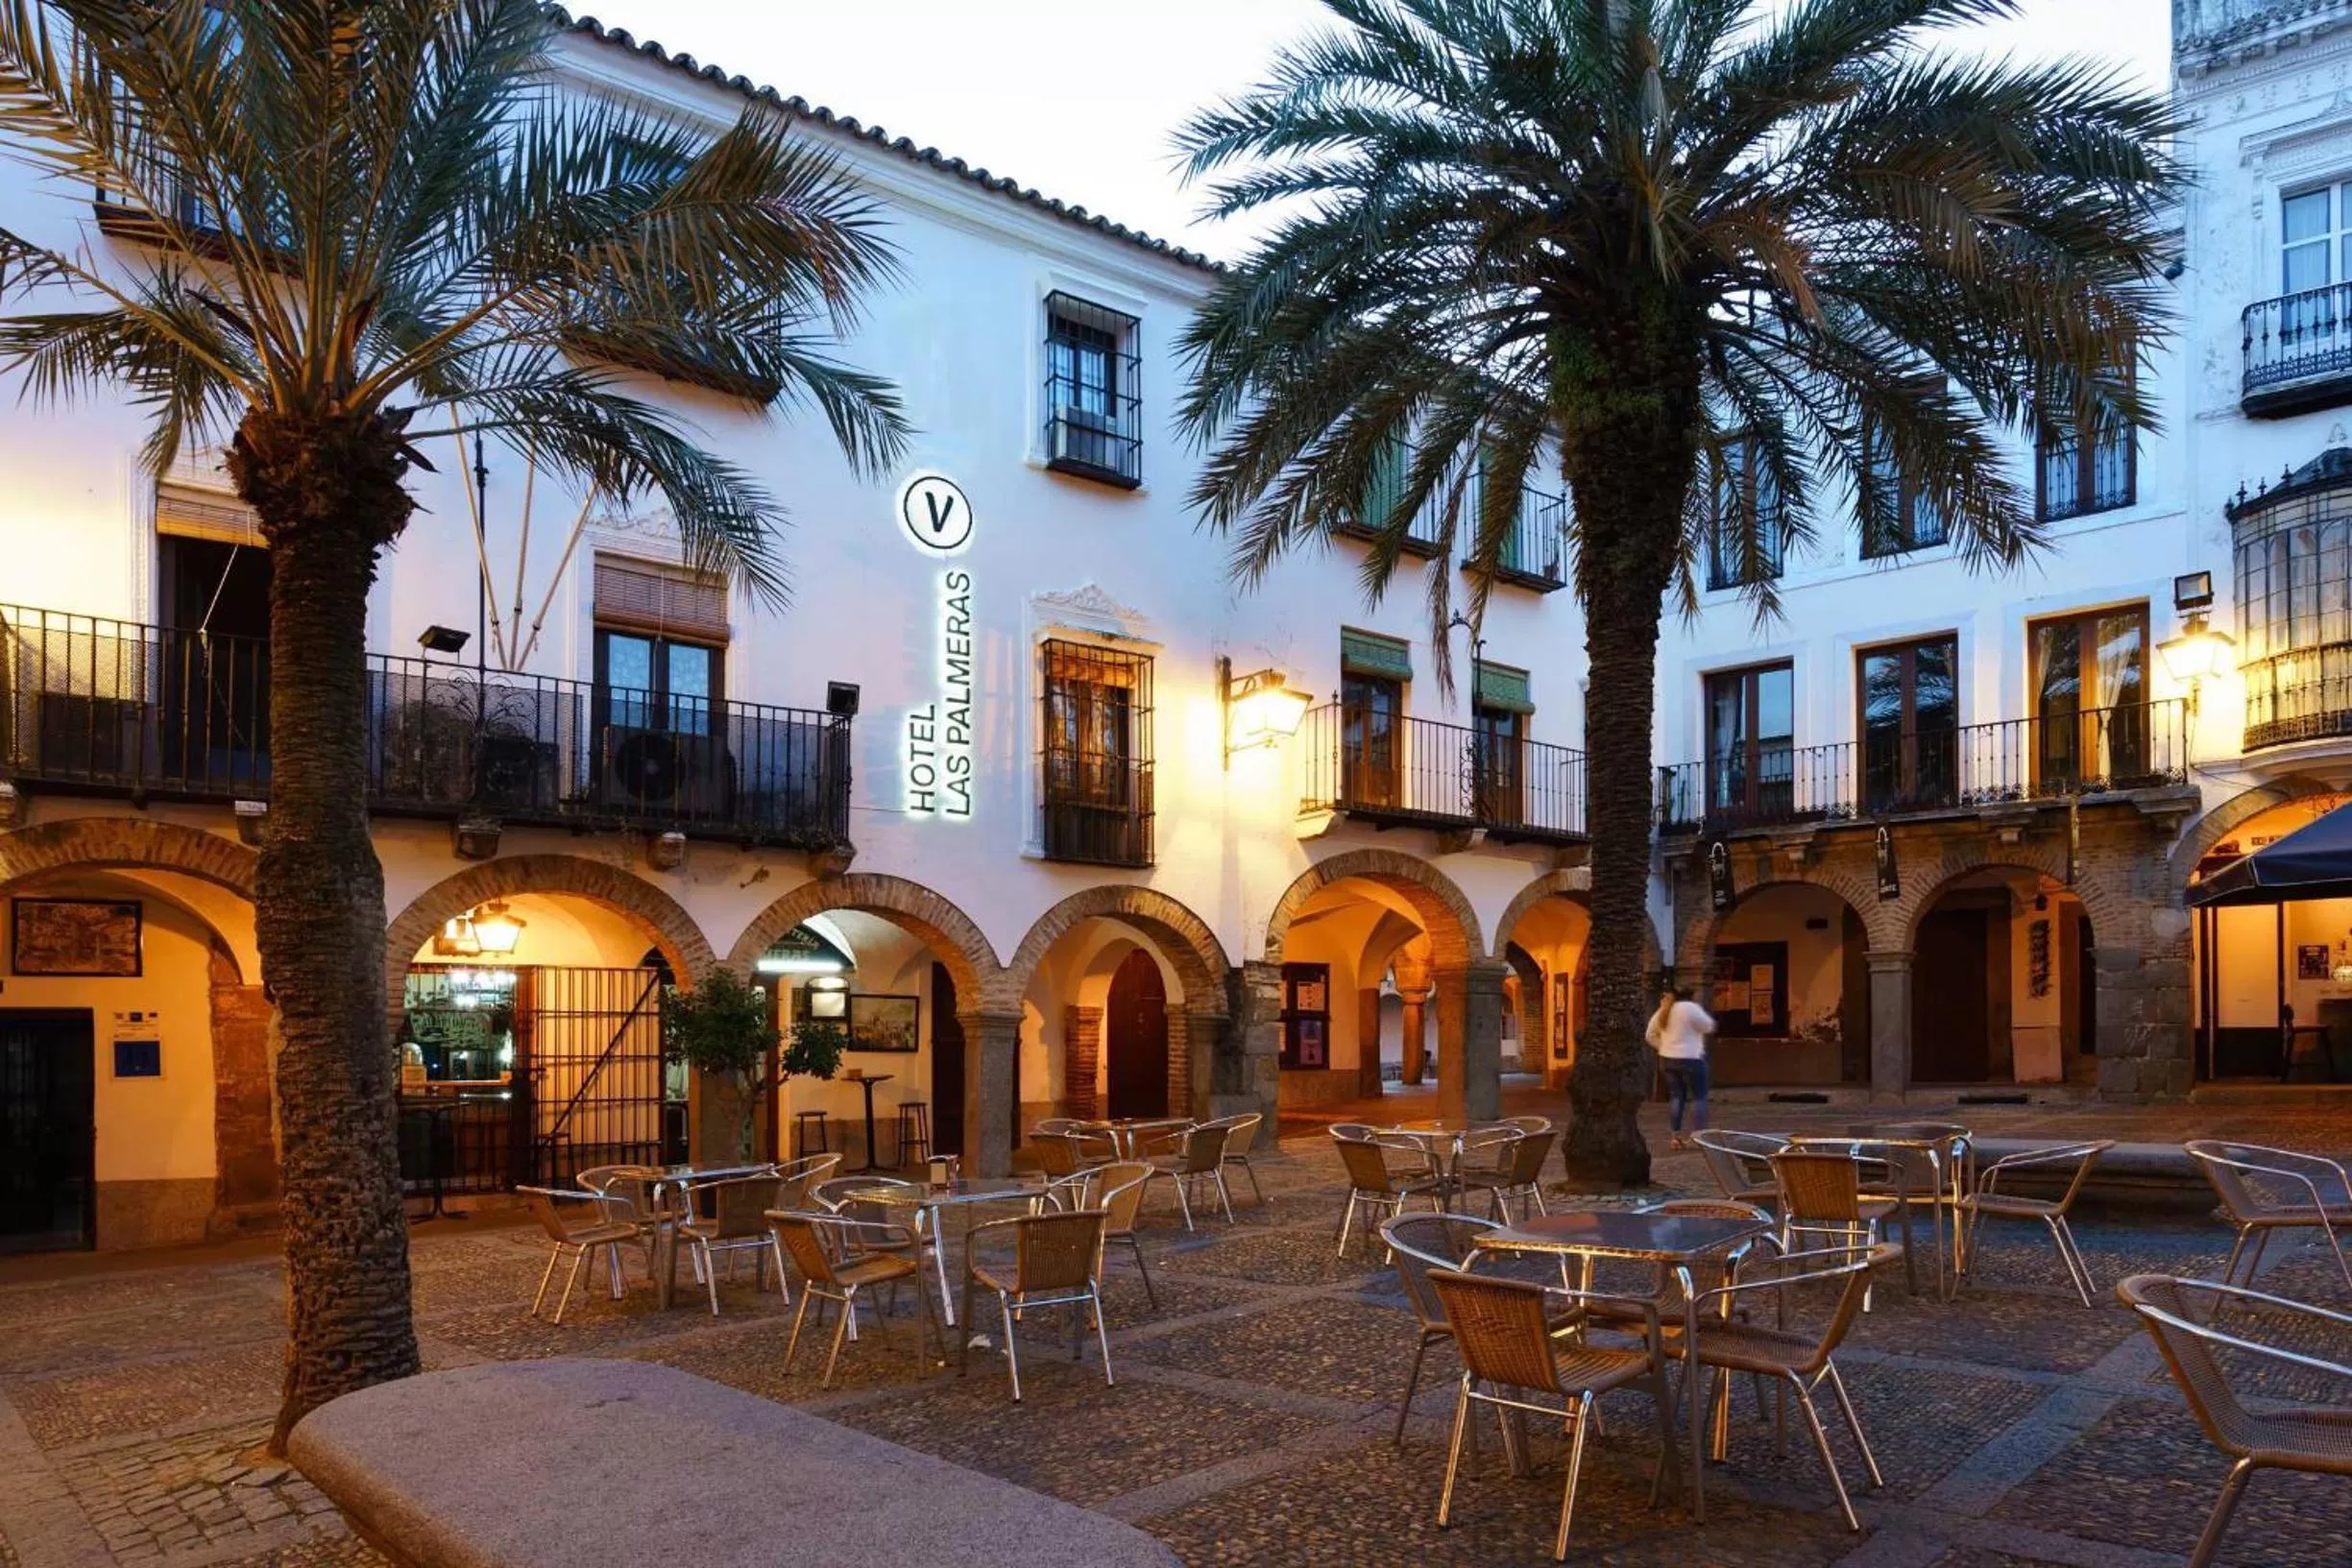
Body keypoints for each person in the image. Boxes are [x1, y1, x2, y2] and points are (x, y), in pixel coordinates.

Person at [1645, 984, 1716, 1151]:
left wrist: (1664, 1046)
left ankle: (1675, 1137)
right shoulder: (1690, 1008)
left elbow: (1649, 1035)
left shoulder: (1664, 1010)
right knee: (1699, 1097)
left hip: (1668, 1059)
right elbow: (1708, 1026)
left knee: (1677, 1097)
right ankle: (1699, 1137)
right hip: (1692, 1057)